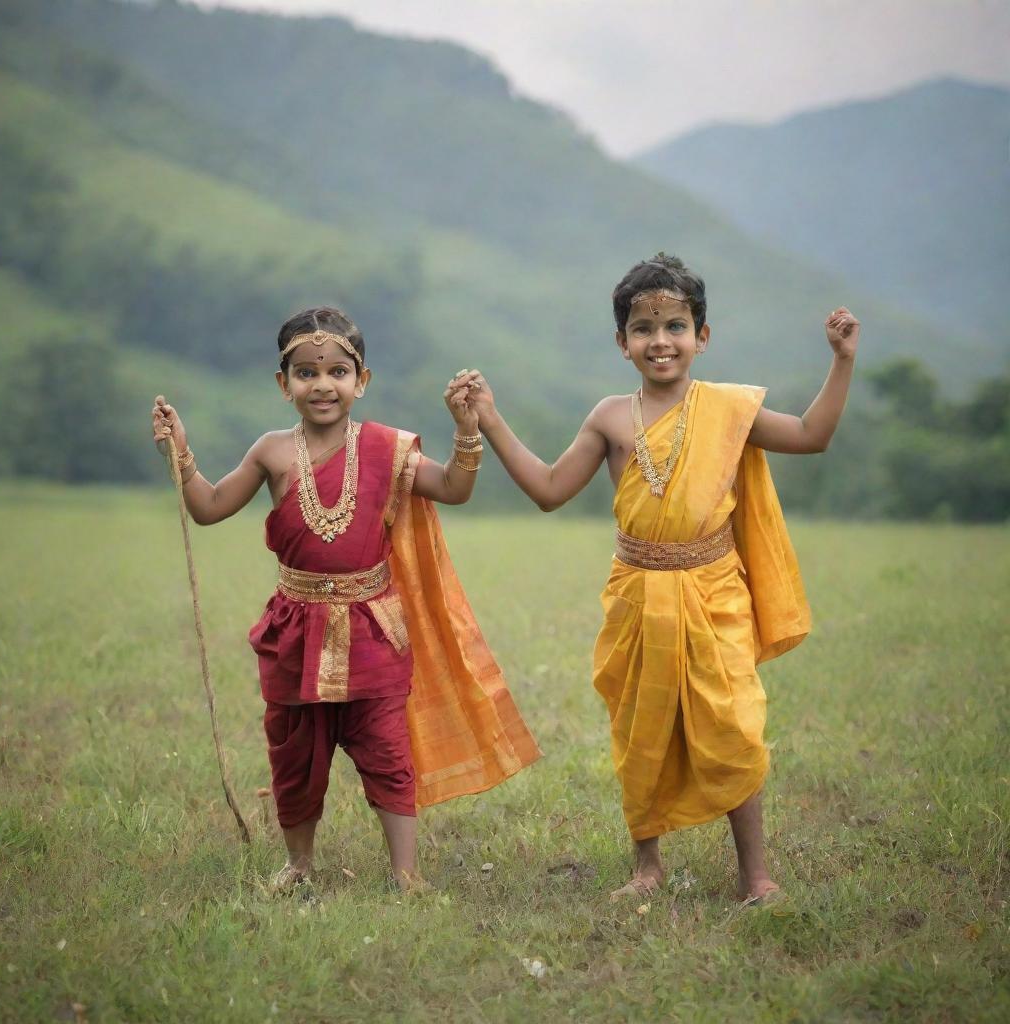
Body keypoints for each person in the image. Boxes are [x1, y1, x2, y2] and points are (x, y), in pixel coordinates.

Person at [456, 253, 859, 902]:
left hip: (713, 591)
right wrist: (492, 420)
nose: (660, 341)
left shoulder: (730, 409)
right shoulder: (610, 417)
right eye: (644, 328)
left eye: (675, 326)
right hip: (638, 594)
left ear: (703, 337)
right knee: (640, 727)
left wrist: (841, 360)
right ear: (622, 343)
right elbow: (550, 489)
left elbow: (812, 434)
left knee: (733, 726)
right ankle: (647, 868)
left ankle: (756, 876)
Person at [152, 306, 540, 894]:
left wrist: (466, 429)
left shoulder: (389, 448)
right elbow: (207, 508)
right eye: (306, 373)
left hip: (374, 630)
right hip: (294, 632)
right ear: (284, 386)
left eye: (337, 371)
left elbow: (455, 491)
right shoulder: (271, 453)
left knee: (387, 749)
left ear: (362, 381)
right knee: (295, 754)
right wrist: (179, 453)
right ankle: (299, 866)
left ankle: (406, 876)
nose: (322, 385)